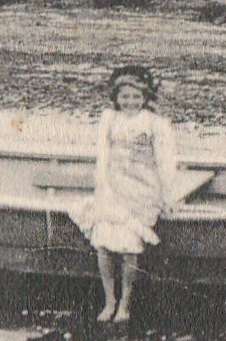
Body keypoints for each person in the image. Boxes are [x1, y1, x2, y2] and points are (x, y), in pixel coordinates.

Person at [72, 66, 179, 323]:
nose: (130, 102)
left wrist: (166, 195)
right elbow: (102, 156)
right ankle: (109, 300)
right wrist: (103, 188)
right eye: (125, 97)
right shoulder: (110, 119)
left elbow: (164, 161)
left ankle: (126, 303)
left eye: (135, 97)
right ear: (116, 97)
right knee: (105, 244)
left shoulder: (154, 123)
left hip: (141, 188)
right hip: (113, 186)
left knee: (130, 246)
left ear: (145, 97)